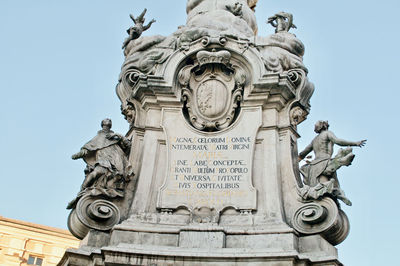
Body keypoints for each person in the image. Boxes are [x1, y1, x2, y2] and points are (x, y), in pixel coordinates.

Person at [298, 120, 366, 205]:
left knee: (326, 186)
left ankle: (337, 195)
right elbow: (338, 141)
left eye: (315, 126)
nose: (314, 128)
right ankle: (338, 194)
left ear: (321, 126)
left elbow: (303, 153)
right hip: (325, 162)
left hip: (314, 166)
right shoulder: (327, 133)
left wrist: (295, 159)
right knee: (329, 187)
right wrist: (355, 143)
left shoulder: (314, 140)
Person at [71, 118, 132, 191]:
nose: (109, 120)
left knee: (116, 177)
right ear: (102, 124)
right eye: (106, 120)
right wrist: (78, 155)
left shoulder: (115, 137)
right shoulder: (98, 137)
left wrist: (117, 135)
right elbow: (88, 148)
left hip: (116, 163)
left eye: (110, 120)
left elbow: (128, 145)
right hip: (104, 162)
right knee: (96, 173)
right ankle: (82, 190)